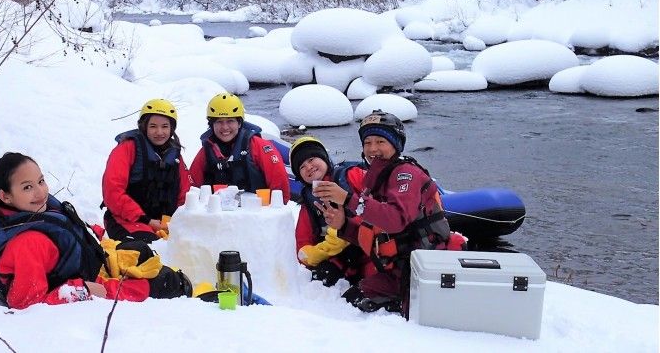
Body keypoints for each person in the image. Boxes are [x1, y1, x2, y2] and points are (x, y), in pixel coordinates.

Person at [0, 152, 191, 309]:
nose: (40, 192)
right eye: (27, 187)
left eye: (41, 181)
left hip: (89, 263)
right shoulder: (27, 242)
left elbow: (62, 228)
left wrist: (92, 233)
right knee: (163, 283)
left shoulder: (24, 211)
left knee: (140, 251)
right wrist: (83, 290)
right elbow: (26, 303)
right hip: (84, 284)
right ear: (5, 196)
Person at [313, 110, 466, 316]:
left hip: (422, 269)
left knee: (357, 306)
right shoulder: (375, 180)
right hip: (397, 270)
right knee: (351, 298)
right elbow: (374, 233)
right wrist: (343, 225)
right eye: (367, 142)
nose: (372, 148)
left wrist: (348, 199)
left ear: (396, 145)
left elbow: (395, 220)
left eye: (380, 142)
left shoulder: (406, 174)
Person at [102, 98, 192, 242]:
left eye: (165, 126)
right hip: (129, 220)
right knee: (149, 251)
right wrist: (147, 220)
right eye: (153, 126)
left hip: (164, 223)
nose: (159, 132)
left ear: (171, 128)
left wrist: (180, 220)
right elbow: (113, 192)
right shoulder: (127, 149)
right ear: (144, 127)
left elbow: (185, 194)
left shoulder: (174, 155)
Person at [290, 136, 374, 287]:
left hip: (372, 249)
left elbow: (382, 207)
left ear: (325, 159)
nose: (308, 167)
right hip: (340, 259)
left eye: (311, 159)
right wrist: (323, 251)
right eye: (301, 167)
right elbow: (302, 247)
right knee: (321, 277)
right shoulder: (309, 203)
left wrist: (345, 230)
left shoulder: (351, 176)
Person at [189, 92, 290, 202]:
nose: (225, 127)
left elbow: (280, 189)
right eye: (219, 122)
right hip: (218, 215)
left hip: (257, 214)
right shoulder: (205, 152)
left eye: (230, 121)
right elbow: (192, 189)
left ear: (239, 123)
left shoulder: (259, 146)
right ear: (212, 125)